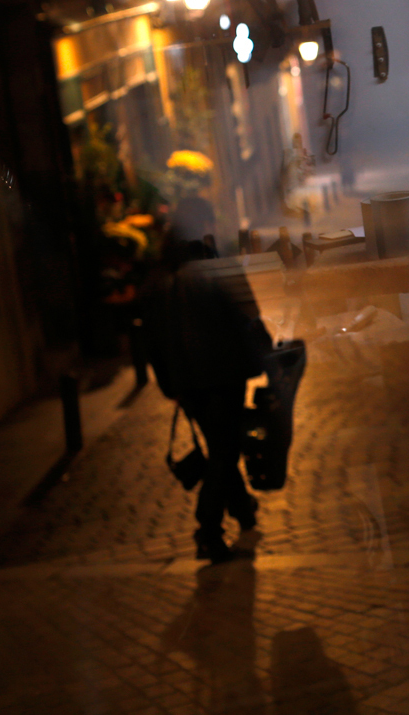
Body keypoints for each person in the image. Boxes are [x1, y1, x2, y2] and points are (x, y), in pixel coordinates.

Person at [142, 197, 273, 563]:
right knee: (225, 451)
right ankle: (208, 530)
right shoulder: (217, 267)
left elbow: (150, 340)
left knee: (221, 447)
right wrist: (264, 354)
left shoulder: (159, 278)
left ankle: (243, 511)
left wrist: (171, 385)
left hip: (188, 384)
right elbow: (249, 316)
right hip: (223, 377)